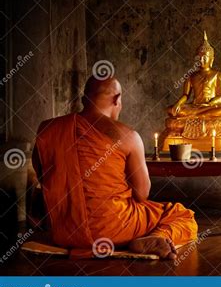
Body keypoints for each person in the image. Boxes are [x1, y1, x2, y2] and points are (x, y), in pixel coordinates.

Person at [32, 75, 198, 259]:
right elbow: (142, 194)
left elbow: (43, 176)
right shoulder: (128, 136)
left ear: (83, 99)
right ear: (117, 99)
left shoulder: (48, 129)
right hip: (114, 229)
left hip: (64, 232)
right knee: (181, 214)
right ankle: (157, 236)